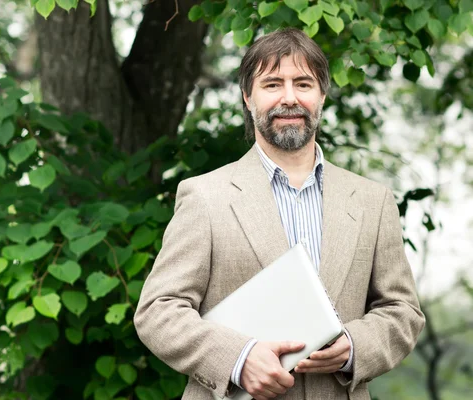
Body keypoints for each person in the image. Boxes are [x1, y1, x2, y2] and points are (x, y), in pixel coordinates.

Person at [133, 28, 425, 400]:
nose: (289, 98)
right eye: (272, 84)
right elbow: (159, 310)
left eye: (303, 84)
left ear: (321, 95)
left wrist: (355, 346)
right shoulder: (204, 197)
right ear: (247, 96)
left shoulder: (373, 200)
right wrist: (238, 358)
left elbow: (402, 311)